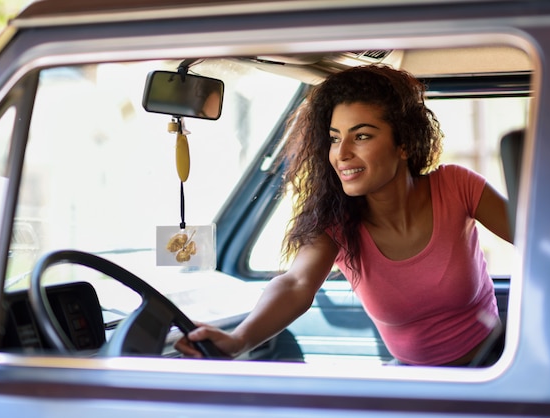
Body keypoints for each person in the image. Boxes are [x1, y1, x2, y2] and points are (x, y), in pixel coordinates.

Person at [175, 64, 512, 366]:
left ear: (403, 143)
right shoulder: (335, 222)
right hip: (414, 382)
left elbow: (537, 237)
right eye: (335, 139)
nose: (342, 154)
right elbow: (296, 283)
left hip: (494, 366)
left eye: (361, 136)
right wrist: (239, 339)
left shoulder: (456, 185)